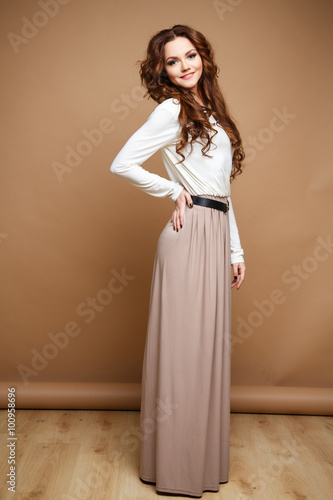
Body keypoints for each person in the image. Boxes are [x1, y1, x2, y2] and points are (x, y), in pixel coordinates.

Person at [110, 24, 246, 498]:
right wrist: (173, 190)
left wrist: (235, 249)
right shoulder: (171, 109)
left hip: (215, 233)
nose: (185, 66)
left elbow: (223, 192)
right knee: (185, 354)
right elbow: (122, 163)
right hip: (187, 239)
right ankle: (176, 470)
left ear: (202, 57)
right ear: (162, 70)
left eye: (190, 56)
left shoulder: (211, 111)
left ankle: (200, 462)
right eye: (173, 61)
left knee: (205, 352)